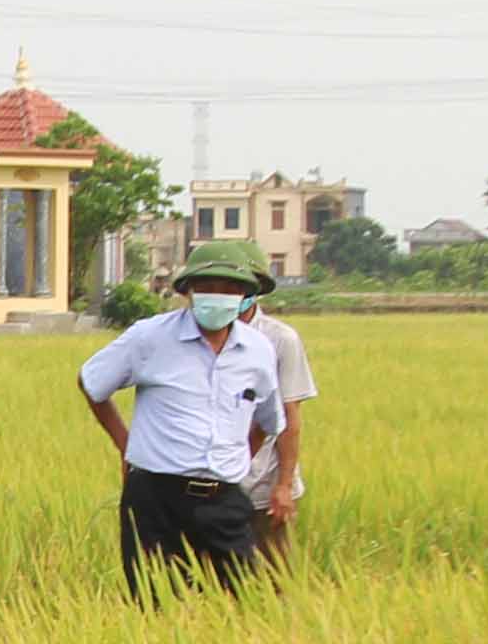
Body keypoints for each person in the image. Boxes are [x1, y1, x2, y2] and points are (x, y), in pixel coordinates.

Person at [75, 238, 288, 593]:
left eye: (229, 289)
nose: (216, 296)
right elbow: (92, 384)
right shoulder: (149, 338)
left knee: (247, 602)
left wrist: (236, 458)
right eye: (206, 287)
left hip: (225, 498)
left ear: (246, 296)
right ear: (188, 291)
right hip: (156, 496)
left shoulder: (258, 350)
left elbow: (268, 420)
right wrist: (127, 446)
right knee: (154, 600)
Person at [241, 289, 312, 555]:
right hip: (207, 490)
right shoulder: (191, 337)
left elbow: (289, 416)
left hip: (262, 485)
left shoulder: (280, 339)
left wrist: (284, 485)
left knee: (272, 582)